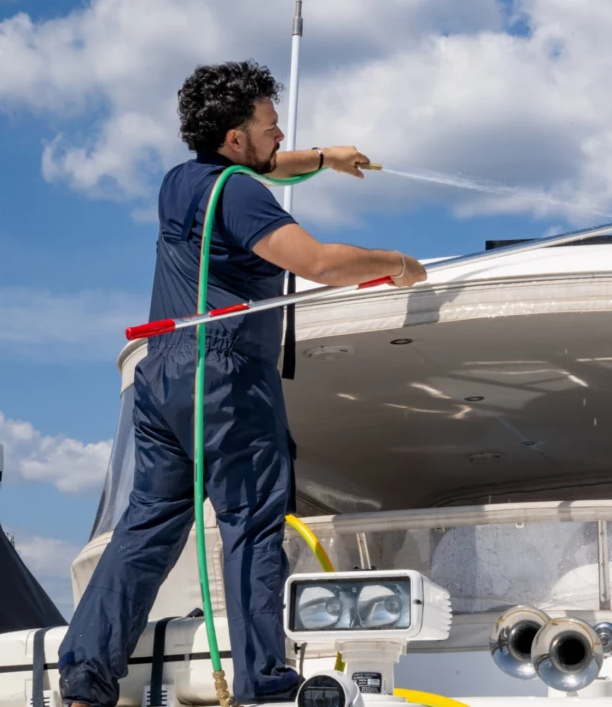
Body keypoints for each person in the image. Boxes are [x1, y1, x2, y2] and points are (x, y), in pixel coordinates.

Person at [59, 61, 426, 706]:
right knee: (252, 524)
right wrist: (396, 263)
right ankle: (264, 682)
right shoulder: (242, 196)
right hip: (225, 376)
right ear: (234, 137)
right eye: (269, 125)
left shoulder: (181, 181)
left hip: (162, 376)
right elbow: (317, 263)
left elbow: (267, 166)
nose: (280, 134)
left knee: (145, 529)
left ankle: (85, 679)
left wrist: (325, 158)